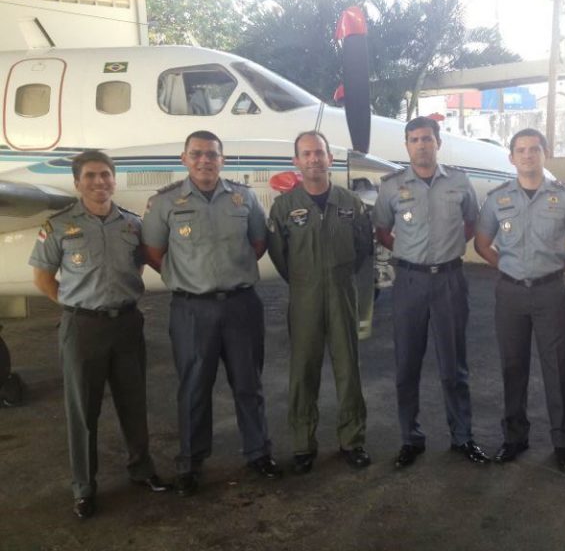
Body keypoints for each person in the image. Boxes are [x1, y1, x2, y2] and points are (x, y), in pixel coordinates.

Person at [29, 151, 170, 520]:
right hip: (83, 327)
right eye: (90, 176)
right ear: (78, 183)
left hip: (126, 323)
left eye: (105, 175)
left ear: (114, 179)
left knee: (133, 401)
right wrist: (77, 303)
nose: (99, 182)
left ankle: (141, 469)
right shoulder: (58, 226)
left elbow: (138, 264)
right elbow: (43, 277)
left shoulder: (132, 224)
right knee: (82, 410)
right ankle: (84, 487)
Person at [142, 130, 281, 496]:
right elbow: (153, 251)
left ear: (223, 159)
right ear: (184, 158)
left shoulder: (243, 196)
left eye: (212, 154)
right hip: (192, 309)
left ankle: (258, 453)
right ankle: (190, 463)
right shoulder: (165, 203)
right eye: (197, 154)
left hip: (240, 306)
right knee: (194, 388)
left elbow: (258, 242)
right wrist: (187, 278)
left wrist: (229, 275)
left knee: (249, 384)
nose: (205, 160)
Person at [372, 116, 490, 468]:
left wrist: (446, 248)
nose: (421, 145)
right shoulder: (391, 186)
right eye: (414, 139)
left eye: (427, 138)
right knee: (407, 364)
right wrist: (410, 253)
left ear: (438, 142)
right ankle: (411, 439)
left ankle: (462, 437)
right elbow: (382, 229)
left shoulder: (459, 181)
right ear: (407, 146)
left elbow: (471, 223)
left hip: (450, 281)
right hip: (409, 282)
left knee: (454, 366)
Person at [474, 129, 565, 472]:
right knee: (513, 367)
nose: (527, 155)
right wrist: (510, 268)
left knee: (557, 367)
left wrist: (555, 269)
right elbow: (482, 243)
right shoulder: (497, 198)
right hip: (510, 293)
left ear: (545, 154)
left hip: (550, 292)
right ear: (511, 157)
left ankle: (563, 442)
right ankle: (514, 438)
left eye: (534, 149)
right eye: (521, 150)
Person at [268, 131, 372, 474]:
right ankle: (302, 443)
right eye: (307, 153)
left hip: (343, 292)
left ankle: (352, 440)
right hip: (304, 295)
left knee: (348, 369)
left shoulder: (349, 202)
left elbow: (362, 248)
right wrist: (304, 279)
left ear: (330, 158)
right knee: (303, 371)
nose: (314, 159)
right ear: (297, 161)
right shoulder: (284, 206)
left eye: (320, 153)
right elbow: (279, 255)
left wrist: (338, 274)